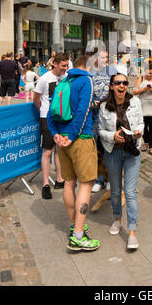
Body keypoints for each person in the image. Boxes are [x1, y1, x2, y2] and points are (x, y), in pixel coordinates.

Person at [47, 55, 101, 253]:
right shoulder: (86, 80)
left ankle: (75, 225)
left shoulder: (64, 80)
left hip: (62, 140)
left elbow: (51, 112)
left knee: (69, 183)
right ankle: (78, 236)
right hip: (80, 139)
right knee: (86, 185)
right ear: (89, 65)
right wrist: (71, 135)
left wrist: (56, 134)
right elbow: (83, 112)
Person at [98, 73, 144, 250]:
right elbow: (101, 130)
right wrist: (112, 136)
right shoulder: (104, 106)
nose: (122, 85)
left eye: (124, 82)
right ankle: (117, 219)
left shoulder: (135, 102)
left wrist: (139, 131)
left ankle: (132, 230)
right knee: (115, 190)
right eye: (118, 83)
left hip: (132, 151)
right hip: (113, 152)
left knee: (130, 192)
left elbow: (141, 122)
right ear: (111, 86)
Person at [33, 53, 69, 199]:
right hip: (47, 119)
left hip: (61, 118)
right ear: (55, 64)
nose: (66, 68)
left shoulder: (66, 77)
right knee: (47, 151)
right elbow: (36, 98)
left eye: (67, 65)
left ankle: (60, 179)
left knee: (60, 149)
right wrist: (44, 111)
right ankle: (45, 184)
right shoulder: (44, 78)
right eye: (63, 66)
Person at [90, 50, 117, 193]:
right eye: (102, 57)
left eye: (106, 57)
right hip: (95, 116)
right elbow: (88, 94)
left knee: (111, 147)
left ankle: (111, 178)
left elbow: (118, 88)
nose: (105, 59)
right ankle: (99, 179)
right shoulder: (90, 73)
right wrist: (92, 102)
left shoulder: (112, 70)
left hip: (110, 114)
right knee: (97, 149)